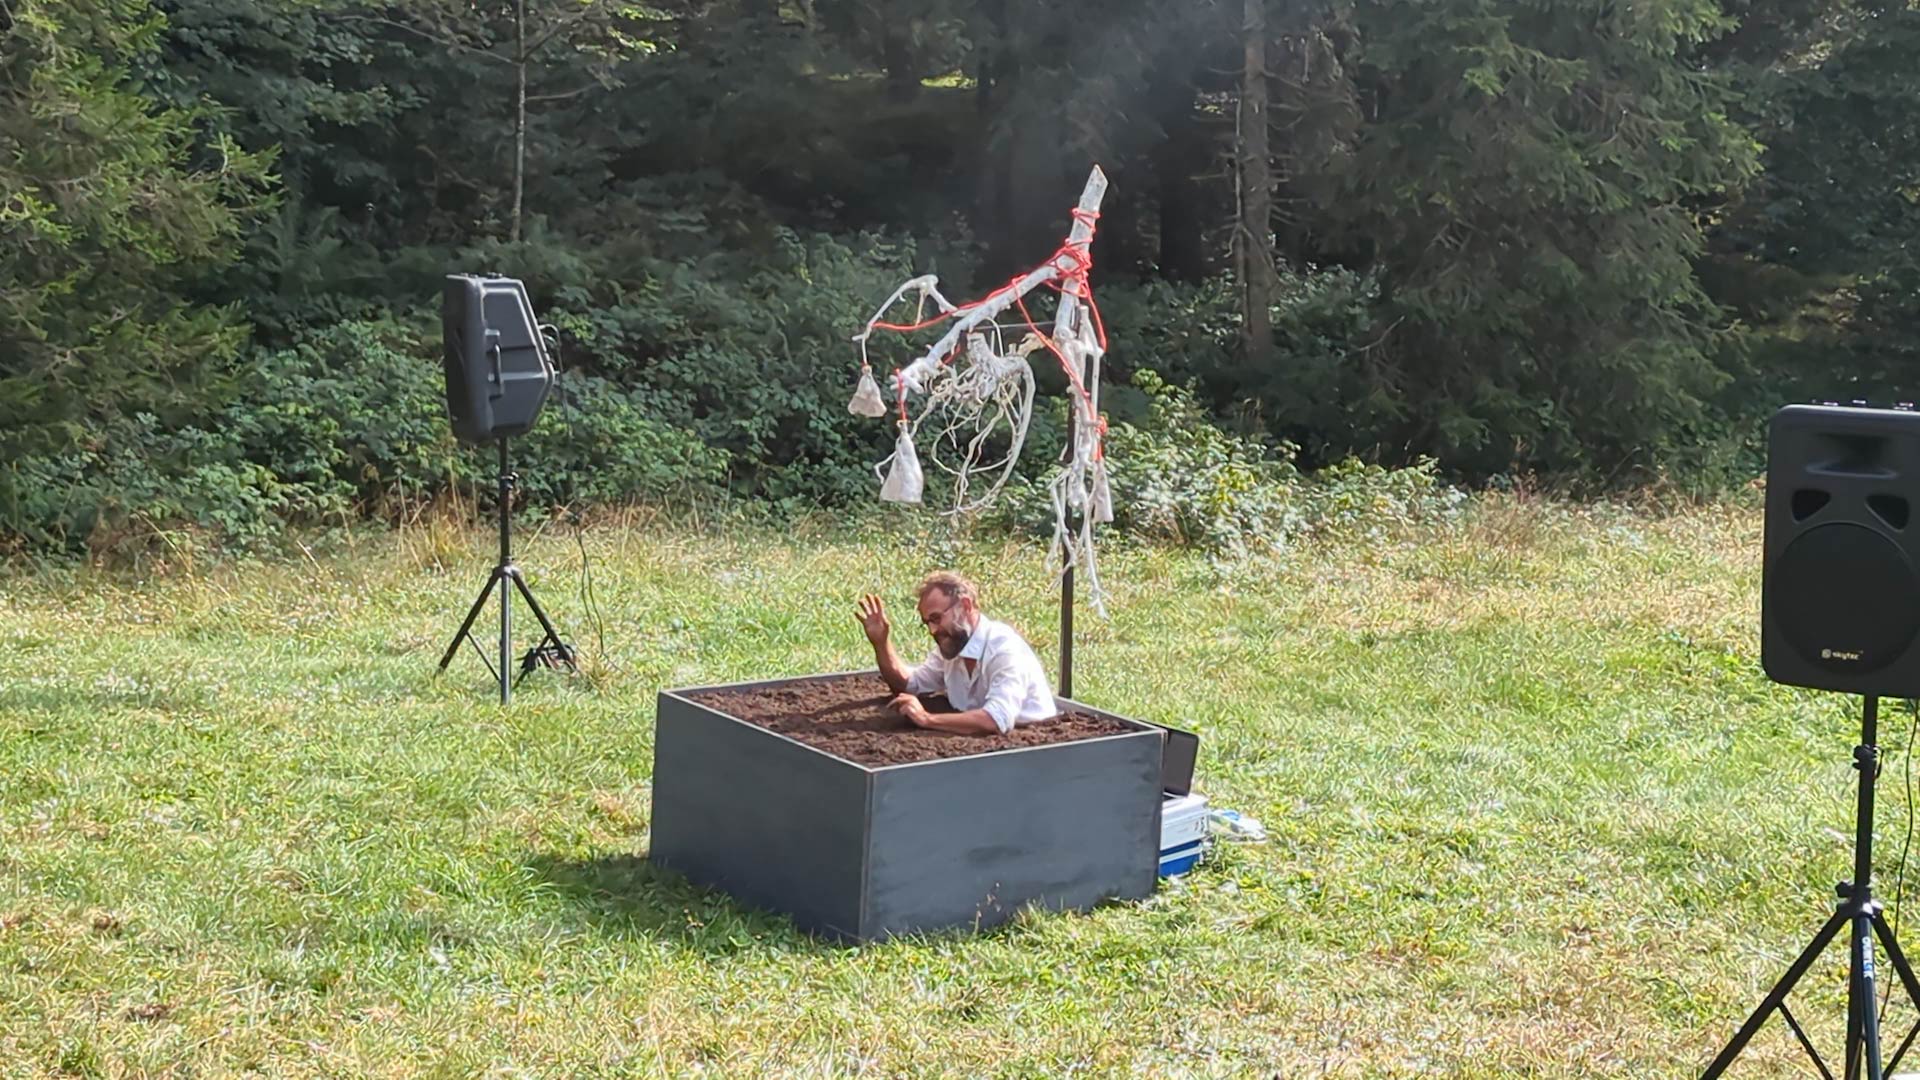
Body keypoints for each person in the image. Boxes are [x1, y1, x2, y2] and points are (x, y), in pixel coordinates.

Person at [854, 570, 1058, 735]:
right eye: (927, 623)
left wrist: (926, 719)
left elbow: (996, 719)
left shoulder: (1004, 649)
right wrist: (881, 644)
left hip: (1035, 745)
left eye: (936, 619)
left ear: (965, 606)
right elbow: (908, 685)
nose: (933, 631)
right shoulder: (952, 650)